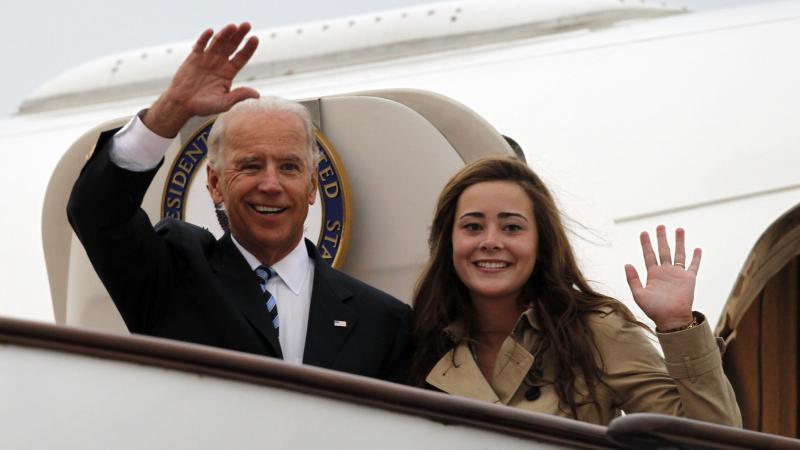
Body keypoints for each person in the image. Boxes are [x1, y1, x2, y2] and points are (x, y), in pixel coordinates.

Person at [67, 23, 412, 382]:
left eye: (289, 167)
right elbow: (96, 211)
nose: (271, 184)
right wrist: (171, 110)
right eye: (251, 166)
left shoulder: (383, 322)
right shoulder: (174, 278)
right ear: (215, 184)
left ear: (312, 186)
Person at [410, 156, 742, 426]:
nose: (491, 241)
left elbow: (714, 440)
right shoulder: (418, 340)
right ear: (448, 241)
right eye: (473, 226)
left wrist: (677, 326)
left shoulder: (595, 330)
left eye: (511, 227)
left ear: (541, 243)